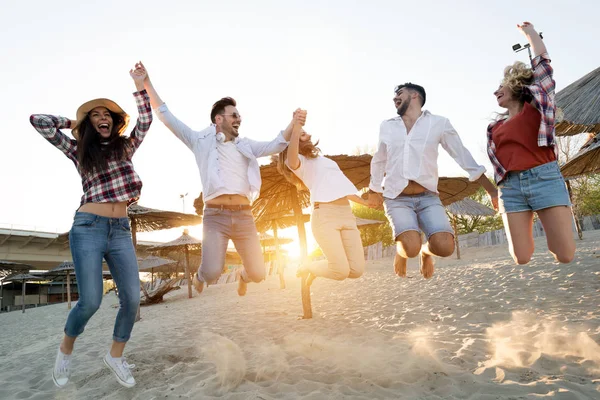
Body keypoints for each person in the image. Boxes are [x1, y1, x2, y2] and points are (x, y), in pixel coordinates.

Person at [30, 62, 152, 388]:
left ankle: (115, 355)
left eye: (107, 115)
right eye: (96, 115)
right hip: (89, 227)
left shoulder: (125, 147)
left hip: (121, 230)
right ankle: (65, 350)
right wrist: (74, 123)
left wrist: (140, 85)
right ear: (90, 123)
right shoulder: (78, 151)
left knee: (132, 298)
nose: (103, 118)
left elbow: (146, 121)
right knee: (91, 301)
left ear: (114, 123)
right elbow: (37, 122)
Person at [139, 62, 302, 296]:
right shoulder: (199, 141)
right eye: (234, 115)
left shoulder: (245, 145)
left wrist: (293, 121)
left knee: (258, 273)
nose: (239, 118)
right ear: (218, 119)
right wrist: (147, 83)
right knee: (213, 272)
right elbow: (166, 116)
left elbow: (276, 144)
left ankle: (243, 277)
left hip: (245, 216)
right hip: (216, 216)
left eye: (239, 115)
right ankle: (200, 276)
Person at [369, 83, 497, 279]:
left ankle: (425, 252)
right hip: (396, 197)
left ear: (414, 96)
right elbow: (379, 159)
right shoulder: (387, 126)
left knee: (445, 247)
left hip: (428, 197)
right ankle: (402, 251)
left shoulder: (439, 123)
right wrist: (374, 189)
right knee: (409, 247)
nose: (395, 97)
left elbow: (461, 154)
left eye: (399, 93)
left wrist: (490, 189)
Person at [487, 22, 575, 265]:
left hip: (544, 178)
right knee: (521, 257)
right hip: (511, 188)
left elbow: (543, 66)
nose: (496, 92)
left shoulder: (536, 109)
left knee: (565, 254)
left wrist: (530, 33)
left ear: (515, 84)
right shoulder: (493, 128)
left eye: (500, 86)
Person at [277, 110, 367, 287]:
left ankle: (312, 267)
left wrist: (366, 203)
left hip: (346, 214)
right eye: (303, 134)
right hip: (324, 216)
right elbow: (292, 156)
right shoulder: (297, 163)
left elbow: (343, 189)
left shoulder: (326, 161)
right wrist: (296, 128)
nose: (308, 135)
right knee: (339, 271)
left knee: (356, 270)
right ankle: (308, 266)